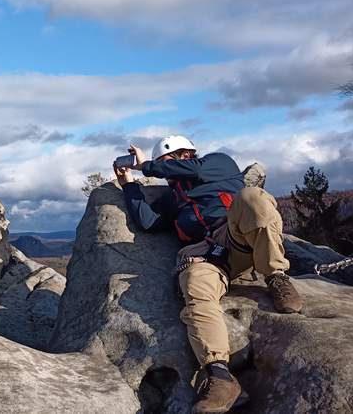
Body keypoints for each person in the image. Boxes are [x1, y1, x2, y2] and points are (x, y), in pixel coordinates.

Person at [114, 135, 303, 414]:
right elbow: (147, 221)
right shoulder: (171, 198)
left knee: (252, 198)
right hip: (208, 253)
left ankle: (276, 276)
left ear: (186, 155)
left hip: (238, 234)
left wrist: (149, 166)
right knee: (194, 283)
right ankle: (219, 376)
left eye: (170, 162)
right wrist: (128, 184)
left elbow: (195, 171)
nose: (167, 171)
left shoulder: (218, 164)